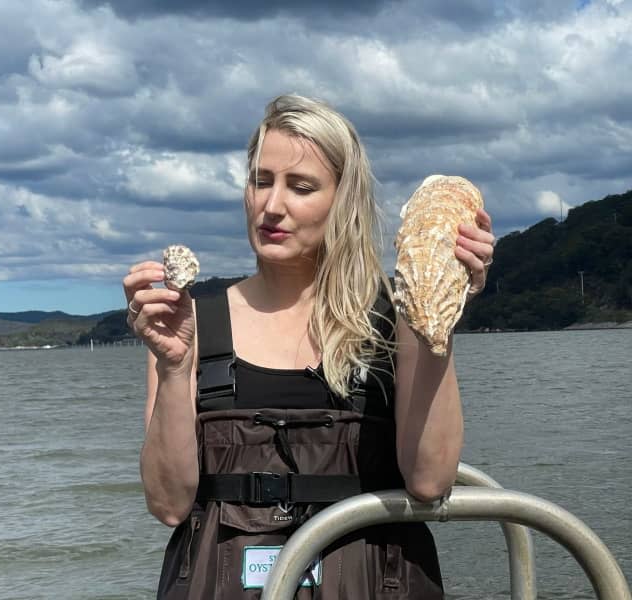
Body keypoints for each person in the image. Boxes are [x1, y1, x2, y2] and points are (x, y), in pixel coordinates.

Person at [123, 94, 495, 599]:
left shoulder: (392, 320)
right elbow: (168, 505)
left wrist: (438, 313)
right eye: (261, 181)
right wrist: (172, 368)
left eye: (301, 187)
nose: (272, 205)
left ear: (344, 200)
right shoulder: (191, 325)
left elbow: (430, 482)